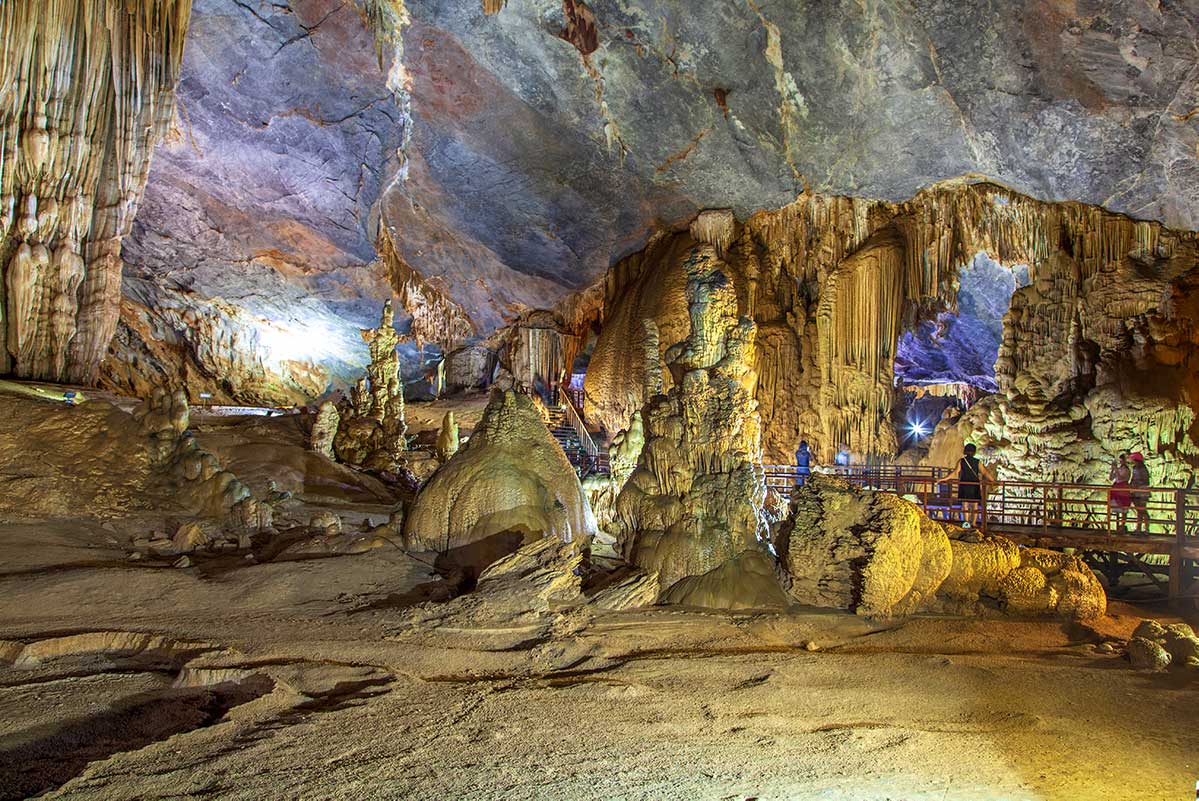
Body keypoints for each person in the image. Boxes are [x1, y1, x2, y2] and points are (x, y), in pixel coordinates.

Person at [939, 443, 994, 528]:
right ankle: (974, 523)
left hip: (964, 484)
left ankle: (966, 523)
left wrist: (943, 479)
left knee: (965, 504)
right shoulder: (977, 462)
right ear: (974, 452)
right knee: (975, 504)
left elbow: (955, 473)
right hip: (974, 484)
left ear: (965, 451)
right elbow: (985, 472)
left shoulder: (962, 461)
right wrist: (993, 480)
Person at [1108, 452, 1132, 531]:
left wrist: (1116, 469)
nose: (1120, 462)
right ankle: (1118, 525)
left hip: (1123, 488)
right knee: (1117, 508)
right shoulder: (1119, 468)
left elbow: (1121, 478)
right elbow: (1111, 478)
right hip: (1116, 488)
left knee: (1123, 508)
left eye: (1122, 460)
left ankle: (1123, 524)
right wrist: (1112, 469)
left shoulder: (1126, 469)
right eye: (1120, 461)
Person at [1129, 452, 1150, 533]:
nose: (1132, 461)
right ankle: (1138, 528)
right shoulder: (1135, 468)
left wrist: (1137, 485)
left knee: (1142, 510)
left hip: (1142, 491)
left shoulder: (1143, 469)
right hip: (1135, 491)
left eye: (1133, 460)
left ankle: (1146, 528)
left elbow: (1146, 481)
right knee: (1139, 510)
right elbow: (1133, 479)